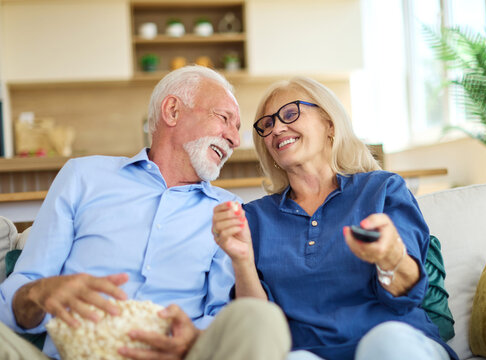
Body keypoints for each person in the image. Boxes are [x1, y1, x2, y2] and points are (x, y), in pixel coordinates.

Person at [0, 66, 291, 360]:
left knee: (260, 319)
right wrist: (40, 292)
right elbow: (20, 292)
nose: (234, 139)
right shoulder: (83, 177)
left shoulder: (228, 210)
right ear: (173, 110)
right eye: (224, 118)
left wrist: (195, 341)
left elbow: (223, 315)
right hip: (71, 353)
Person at [212, 77, 459, 360]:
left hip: (394, 340)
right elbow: (257, 328)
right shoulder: (254, 217)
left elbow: (407, 295)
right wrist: (241, 260)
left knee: (386, 342)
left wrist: (391, 257)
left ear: (329, 123)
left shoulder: (382, 189)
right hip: (309, 352)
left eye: (290, 113)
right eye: (267, 125)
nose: (277, 128)